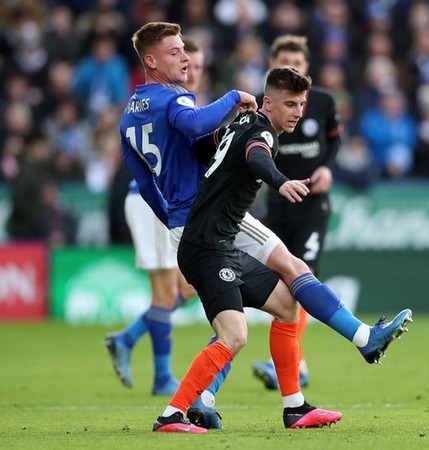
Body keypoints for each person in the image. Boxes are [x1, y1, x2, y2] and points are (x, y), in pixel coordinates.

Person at [119, 22, 412, 432]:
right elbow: (205, 131)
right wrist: (234, 99)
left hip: (198, 220)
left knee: (288, 298)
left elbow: (150, 178)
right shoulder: (177, 103)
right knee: (236, 328)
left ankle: (297, 404)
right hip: (206, 226)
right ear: (150, 60)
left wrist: (170, 215)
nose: (185, 58)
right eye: (175, 52)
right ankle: (178, 409)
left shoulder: (131, 118)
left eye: (185, 50)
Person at [103, 38, 209, 396]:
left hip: (169, 204)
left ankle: (129, 338)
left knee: (189, 288)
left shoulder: (184, 105)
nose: (192, 72)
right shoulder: (173, 105)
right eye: (187, 64)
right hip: (154, 204)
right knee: (167, 292)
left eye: (198, 67)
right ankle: (162, 375)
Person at [251, 35, 342, 390]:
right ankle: (294, 365)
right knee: (282, 282)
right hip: (278, 202)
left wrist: (328, 169)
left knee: (305, 277)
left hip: (312, 205)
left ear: (308, 68)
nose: (293, 69)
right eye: (285, 63)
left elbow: (334, 139)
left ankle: (292, 365)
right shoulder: (268, 110)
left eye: (299, 63)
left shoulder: (321, 103)